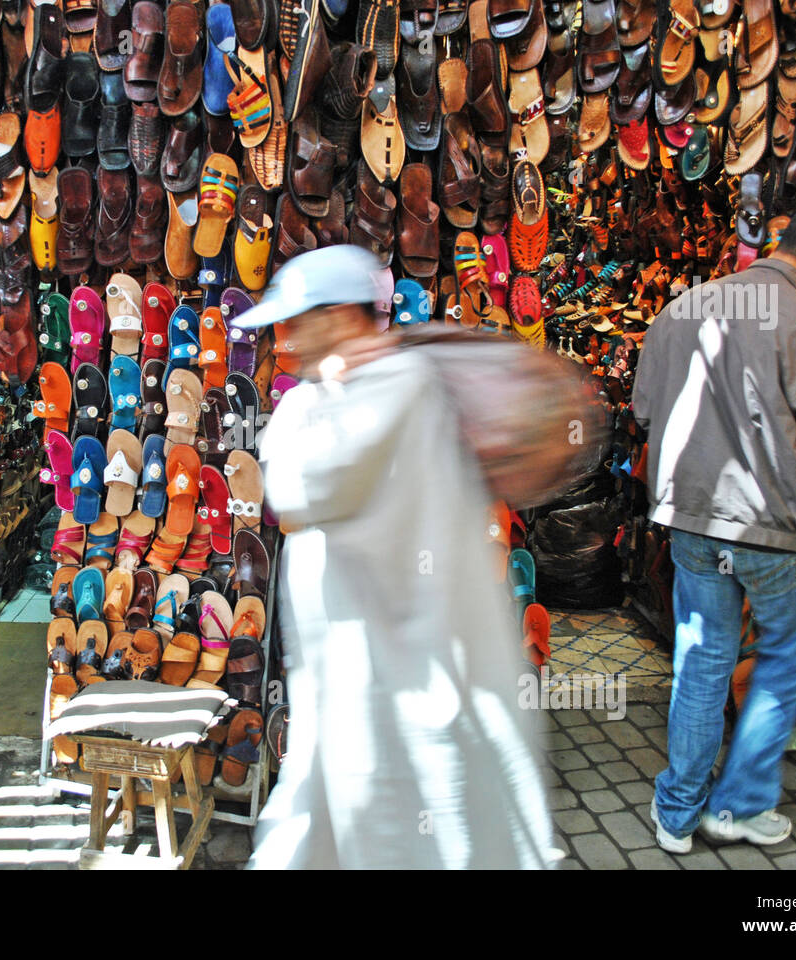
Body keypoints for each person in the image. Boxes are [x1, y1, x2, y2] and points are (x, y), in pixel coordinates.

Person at [232, 245, 600, 869]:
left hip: (402, 675)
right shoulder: (373, 384)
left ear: (343, 316)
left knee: (401, 826)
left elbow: (299, 492)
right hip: (375, 669)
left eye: (298, 322)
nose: (285, 341)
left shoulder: (381, 389)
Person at [632, 198, 796, 854]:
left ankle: (677, 813)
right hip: (775, 529)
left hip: (693, 519)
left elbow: (647, 412)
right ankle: (739, 804)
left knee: (702, 662)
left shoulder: (681, 309)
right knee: (785, 658)